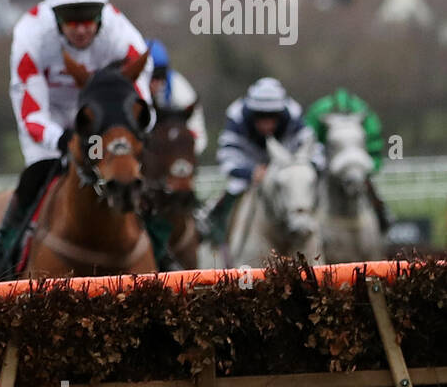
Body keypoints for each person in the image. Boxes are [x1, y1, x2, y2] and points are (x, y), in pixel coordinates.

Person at [0, 0, 154, 282]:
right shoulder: (30, 35)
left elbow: (139, 108)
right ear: (54, 17)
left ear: (103, 14)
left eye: (89, 18)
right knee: (37, 175)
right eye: (71, 19)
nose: (81, 28)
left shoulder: (123, 36)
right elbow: (32, 114)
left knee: (137, 173)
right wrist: (62, 140)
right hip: (50, 120)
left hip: (104, 123)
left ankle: (164, 252)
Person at [202, 77, 322, 244]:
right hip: (250, 170)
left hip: (286, 170)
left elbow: (315, 151)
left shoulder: (294, 113)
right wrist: (250, 172)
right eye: (261, 117)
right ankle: (216, 240)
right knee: (224, 201)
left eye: (272, 117)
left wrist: (300, 168)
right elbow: (226, 156)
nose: (267, 123)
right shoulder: (236, 115)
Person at [304, 88, 392, 232]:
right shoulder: (320, 111)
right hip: (327, 166)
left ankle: (382, 216)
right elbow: (308, 142)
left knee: (367, 186)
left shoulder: (360, 109)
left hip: (356, 167)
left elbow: (374, 142)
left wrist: (371, 167)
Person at [146, 39, 207, 155]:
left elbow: (198, 135)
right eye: (151, 76)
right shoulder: (128, 89)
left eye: (160, 76)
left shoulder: (179, 89)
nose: (156, 83)